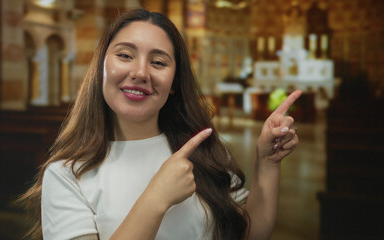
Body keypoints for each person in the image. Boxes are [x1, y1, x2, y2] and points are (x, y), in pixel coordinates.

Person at [20, 9, 302, 240]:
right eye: (125, 55)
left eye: (158, 62)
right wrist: (155, 199)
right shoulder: (67, 174)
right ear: (101, 68)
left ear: (174, 84)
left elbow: (249, 233)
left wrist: (267, 163)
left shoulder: (201, 152)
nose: (140, 72)